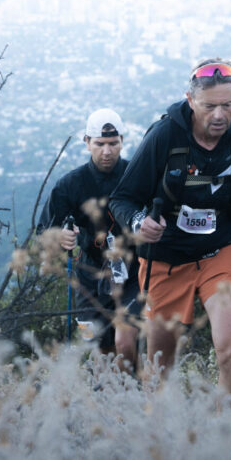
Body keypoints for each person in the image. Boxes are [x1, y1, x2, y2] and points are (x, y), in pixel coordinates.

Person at [109, 58, 231, 407]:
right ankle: (160, 439)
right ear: (190, 100)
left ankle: (227, 440)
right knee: (161, 367)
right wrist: (139, 222)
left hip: (219, 251)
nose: (220, 115)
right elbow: (123, 198)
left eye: (228, 105)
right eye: (210, 106)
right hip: (165, 259)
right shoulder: (164, 136)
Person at [38, 108, 141, 371]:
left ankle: (133, 398)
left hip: (132, 273)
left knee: (126, 342)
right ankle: (110, 401)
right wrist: (60, 236)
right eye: (99, 144)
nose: (107, 151)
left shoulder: (137, 175)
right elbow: (42, 231)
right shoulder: (70, 185)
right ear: (87, 142)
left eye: (113, 144)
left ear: (122, 141)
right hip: (88, 276)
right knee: (99, 350)